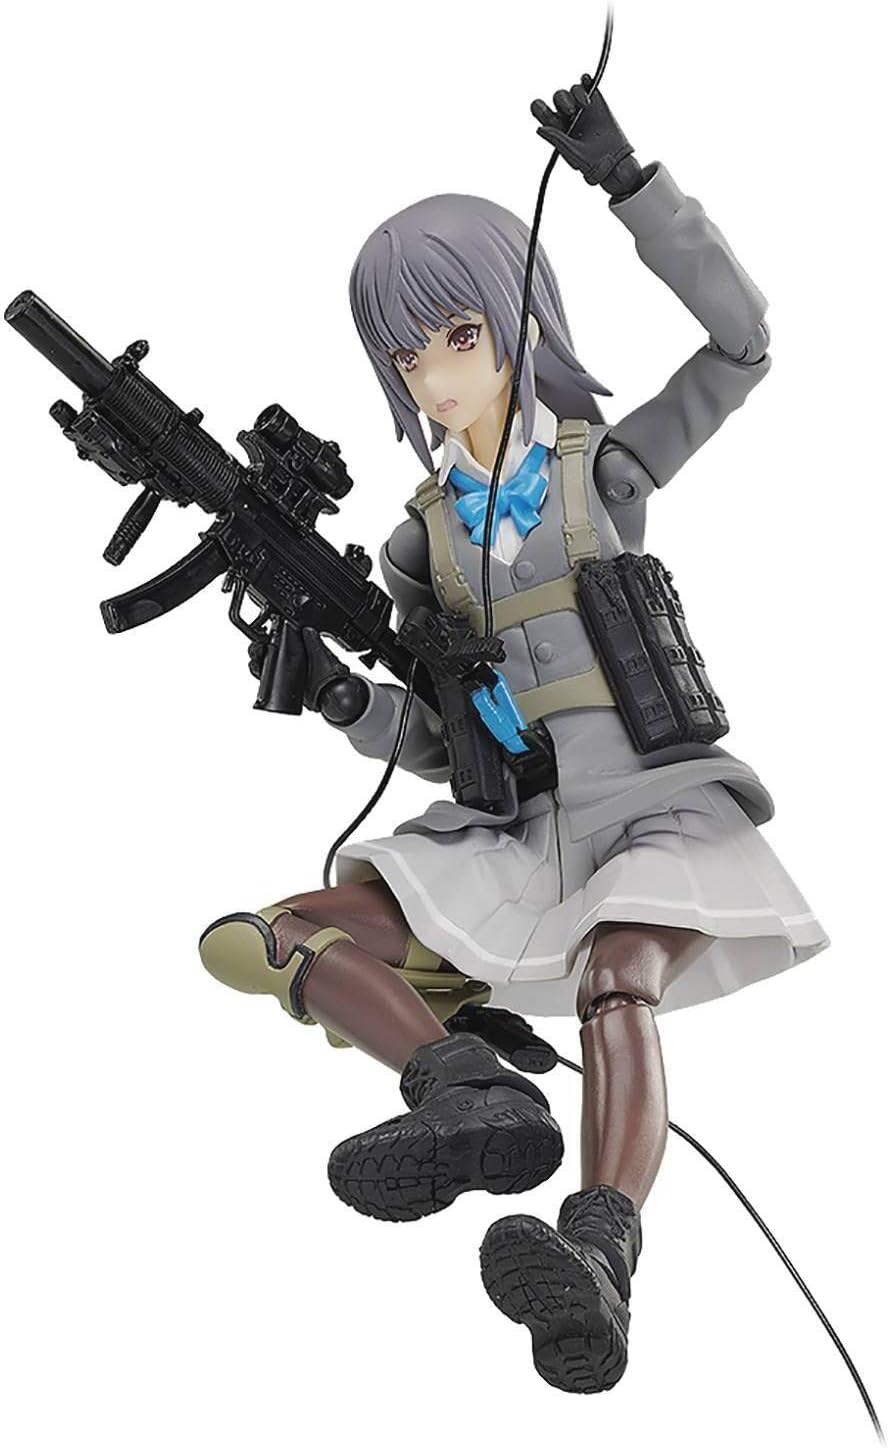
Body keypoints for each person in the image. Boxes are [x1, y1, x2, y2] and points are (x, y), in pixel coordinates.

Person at [198, 82, 827, 1394]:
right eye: (407, 357)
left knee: (619, 978)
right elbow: (440, 741)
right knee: (270, 934)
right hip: (514, 829)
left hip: (649, 806)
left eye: (459, 334)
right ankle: (465, 1091)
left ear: (517, 318)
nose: (437, 374)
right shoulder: (419, 542)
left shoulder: (603, 473)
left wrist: (631, 182)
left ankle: (599, 1252)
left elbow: (743, 346)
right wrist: (338, 698)